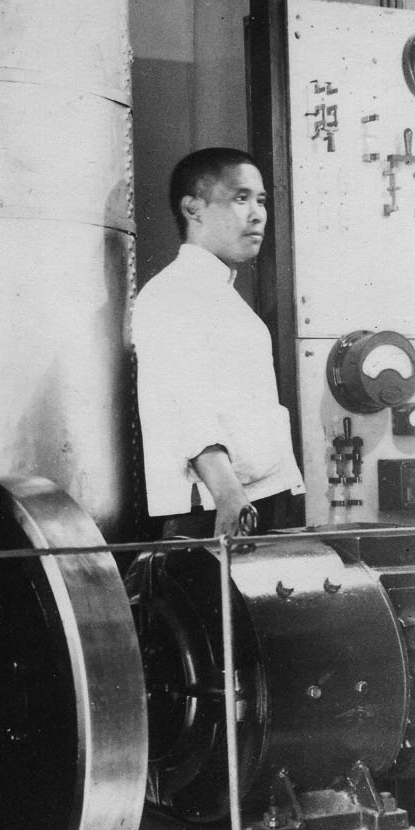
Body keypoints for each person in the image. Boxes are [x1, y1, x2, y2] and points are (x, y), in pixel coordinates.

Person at [131, 147, 304, 538]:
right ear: (193, 209)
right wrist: (229, 495)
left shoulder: (219, 294)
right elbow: (187, 405)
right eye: (240, 198)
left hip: (249, 498)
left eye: (261, 200)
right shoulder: (173, 293)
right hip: (215, 507)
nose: (257, 214)